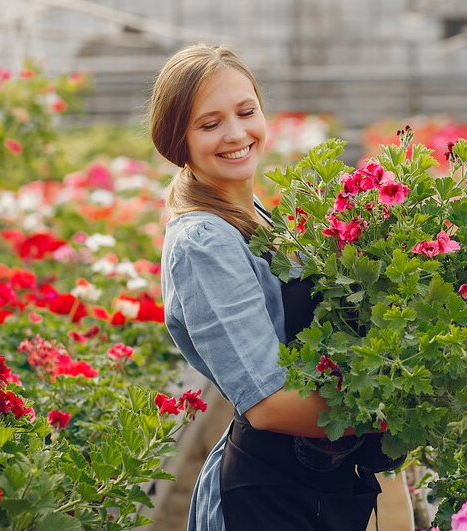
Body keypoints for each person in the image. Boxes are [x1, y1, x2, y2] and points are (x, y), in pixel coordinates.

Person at [149, 43, 382, 531]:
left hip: (312, 478)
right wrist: (393, 415)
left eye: (245, 111)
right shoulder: (204, 241)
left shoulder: (256, 216)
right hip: (269, 499)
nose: (236, 134)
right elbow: (269, 404)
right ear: (178, 140)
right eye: (209, 124)